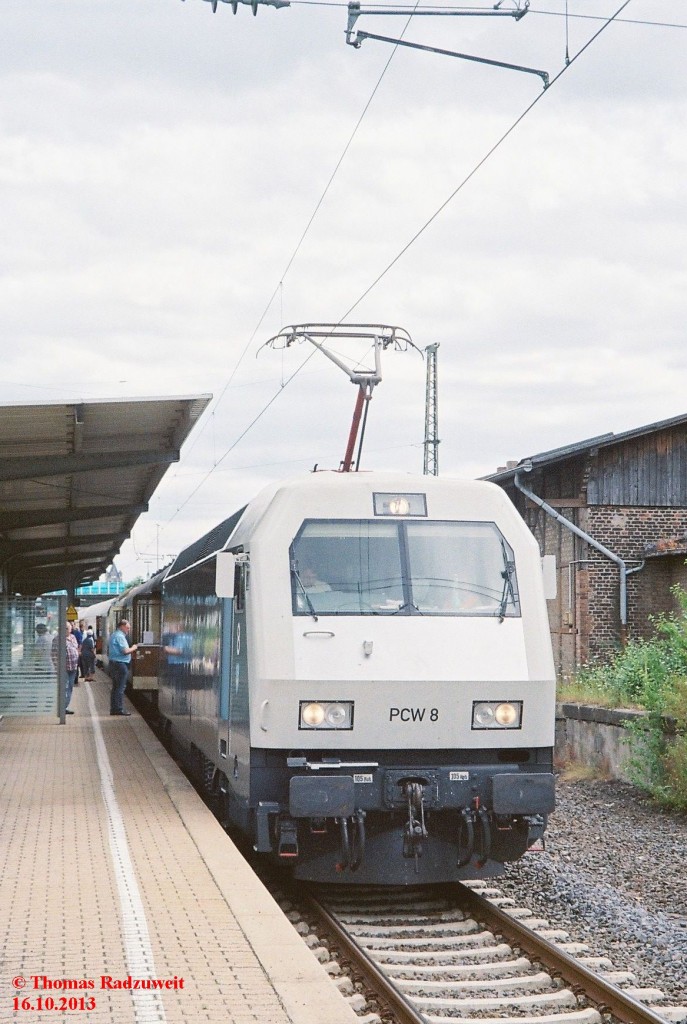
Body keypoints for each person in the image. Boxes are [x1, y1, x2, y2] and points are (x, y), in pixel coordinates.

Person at [107, 619, 138, 716]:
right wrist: (134, 647)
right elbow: (125, 651)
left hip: (114, 663)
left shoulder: (114, 635)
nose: (128, 630)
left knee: (115, 688)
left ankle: (114, 708)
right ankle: (119, 709)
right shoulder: (120, 636)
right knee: (120, 688)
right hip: (120, 664)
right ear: (122, 626)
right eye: (127, 628)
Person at [51, 621, 79, 715]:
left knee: (70, 687)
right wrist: (57, 668)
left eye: (70, 628)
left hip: (73, 667)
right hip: (64, 668)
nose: (69, 630)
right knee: (65, 688)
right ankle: (62, 708)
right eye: (68, 628)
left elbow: (76, 648)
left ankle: (65, 707)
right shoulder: (57, 639)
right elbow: (54, 654)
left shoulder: (73, 637)